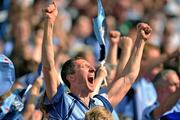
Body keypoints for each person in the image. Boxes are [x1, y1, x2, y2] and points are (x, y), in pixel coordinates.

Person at [41, 2, 152, 119]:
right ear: (71, 77)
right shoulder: (62, 102)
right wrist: (49, 22)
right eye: (84, 66)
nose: (93, 69)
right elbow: (48, 67)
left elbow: (128, 78)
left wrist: (140, 41)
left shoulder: (100, 104)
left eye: (91, 66)